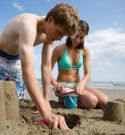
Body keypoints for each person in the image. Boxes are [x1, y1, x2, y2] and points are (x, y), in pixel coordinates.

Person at [0, 3, 79, 129]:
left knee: (15, 100)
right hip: (1, 55)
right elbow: (28, 72)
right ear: (51, 19)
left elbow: (46, 66)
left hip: (16, 60)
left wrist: (46, 100)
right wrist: (46, 114)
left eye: (63, 36)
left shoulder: (49, 36)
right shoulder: (28, 24)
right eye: (59, 32)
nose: (59, 38)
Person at [51, 20, 108, 109]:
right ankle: (66, 99)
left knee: (105, 101)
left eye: (81, 38)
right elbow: (47, 71)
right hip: (63, 86)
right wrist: (55, 83)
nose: (78, 40)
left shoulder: (85, 51)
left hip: (78, 86)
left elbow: (88, 74)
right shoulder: (59, 49)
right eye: (76, 36)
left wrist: (81, 84)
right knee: (92, 101)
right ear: (71, 32)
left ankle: (71, 100)